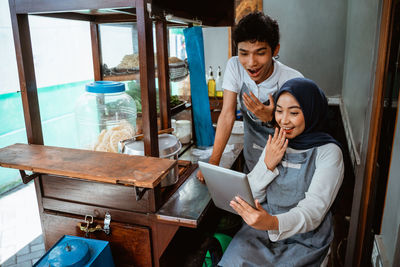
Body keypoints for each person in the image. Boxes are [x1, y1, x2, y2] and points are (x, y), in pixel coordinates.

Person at [218, 77, 344, 266]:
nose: (284, 121)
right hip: (261, 232)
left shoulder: (328, 152)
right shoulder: (276, 141)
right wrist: (267, 165)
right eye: (278, 111)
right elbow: (252, 195)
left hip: (305, 238)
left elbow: (313, 212)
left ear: (311, 112)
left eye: (294, 113)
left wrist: (272, 223)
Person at [197, 11, 303, 182]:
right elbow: (227, 115)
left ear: (275, 50)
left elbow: (303, 132)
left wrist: (271, 119)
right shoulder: (235, 66)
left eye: (260, 53)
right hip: (253, 159)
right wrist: (213, 163)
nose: (251, 62)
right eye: (244, 53)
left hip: (286, 163)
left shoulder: (292, 80)